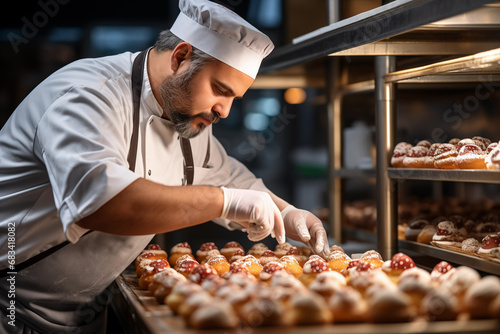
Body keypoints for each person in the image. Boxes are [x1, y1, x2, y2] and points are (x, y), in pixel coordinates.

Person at [0, 0, 329, 332]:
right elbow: (101, 201)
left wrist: (286, 212)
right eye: (219, 90)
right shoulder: (90, 96)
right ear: (180, 57)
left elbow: (226, 176)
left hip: (82, 314)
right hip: (9, 302)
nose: (224, 111)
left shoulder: (184, 114)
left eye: (234, 99)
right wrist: (225, 201)